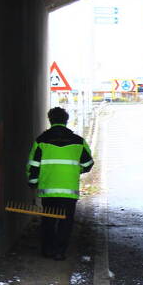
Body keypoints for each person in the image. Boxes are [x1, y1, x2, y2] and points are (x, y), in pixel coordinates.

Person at [26, 107, 94, 260]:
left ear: (50, 120)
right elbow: (88, 163)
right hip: (69, 191)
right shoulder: (78, 141)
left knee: (49, 220)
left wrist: (33, 183)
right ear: (66, 120)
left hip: (48, 190)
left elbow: (34, 166)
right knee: (66, 222)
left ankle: (47, 250)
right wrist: (77, 170)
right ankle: (60, 252)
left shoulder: (41, 141)